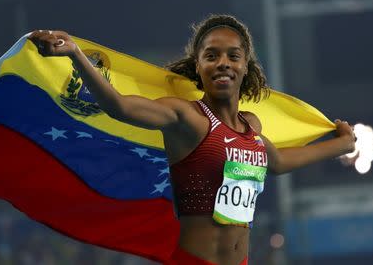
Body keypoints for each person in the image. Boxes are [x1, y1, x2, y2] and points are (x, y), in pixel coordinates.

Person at [28, 14, 355, 265]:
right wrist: (75, 54)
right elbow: (119, 107)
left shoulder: (250, 127)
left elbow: (279, 162)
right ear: (197, 67)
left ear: (245, 66)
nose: (223, 63)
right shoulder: (187, 118)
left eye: (233, 55)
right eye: (211, 55)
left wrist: (341, 144)